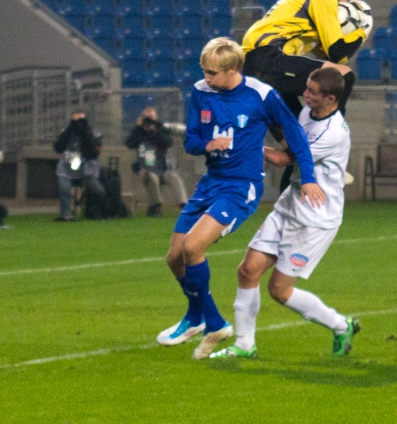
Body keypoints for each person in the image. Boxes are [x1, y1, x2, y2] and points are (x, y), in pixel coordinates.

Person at [156, 37, 325, 360]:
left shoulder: (261, 95)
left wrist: (309, 178)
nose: (207, 77)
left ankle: (215, 322)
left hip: (240, 187)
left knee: (193, 248)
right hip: (210, 183)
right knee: (174, 258)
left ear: (234, 69)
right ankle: (199, 317)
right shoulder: (201, 92)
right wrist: (208, 145)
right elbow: (191, 140)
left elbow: (297, 138)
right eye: (204, 71)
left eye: (213, 73)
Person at [209, 67, 359, 360]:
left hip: (315, 218)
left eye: (313, 92)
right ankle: (244, 344)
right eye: (307, 88)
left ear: (331, 99)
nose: (305, 94)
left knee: (279, 290)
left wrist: (242, 141)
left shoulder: (332, 133)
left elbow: (281, 159)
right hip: (291, 202)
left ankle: (341, 325)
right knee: (247, 270)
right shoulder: (308, 114)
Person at [241, 0, 371, 189]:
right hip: (267, 58)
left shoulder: (310, 0)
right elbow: (337, 54)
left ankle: (287, 197)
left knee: (297, 145)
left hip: (257, 67)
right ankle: (333, 152)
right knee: (342, 76)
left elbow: (325, 54)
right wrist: (361, 30)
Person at [125, 107, 188, 217]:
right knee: (152, 177)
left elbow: (168, 142)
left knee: (175, 178)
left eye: (152, 118)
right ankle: (156, 207)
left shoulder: (160, 129)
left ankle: (184, 205)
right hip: (145, 169)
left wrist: (155, 130)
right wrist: (138, 127)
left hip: (163, 169)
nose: (149, 121)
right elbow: (130, 143)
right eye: (147, 118)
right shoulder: (138, 132)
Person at [53, 109, 106, 221]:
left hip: (86, 170)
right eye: (76, 120)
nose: (79, 123)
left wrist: (85, 134)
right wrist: (70, 129)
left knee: (99, 191)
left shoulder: (93, 134)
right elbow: (58, 148)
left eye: (82, 120)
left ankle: (94, 212)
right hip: (66, 169)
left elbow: (93, 154)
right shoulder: (66, 132)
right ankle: (66, 214)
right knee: (64, 189)